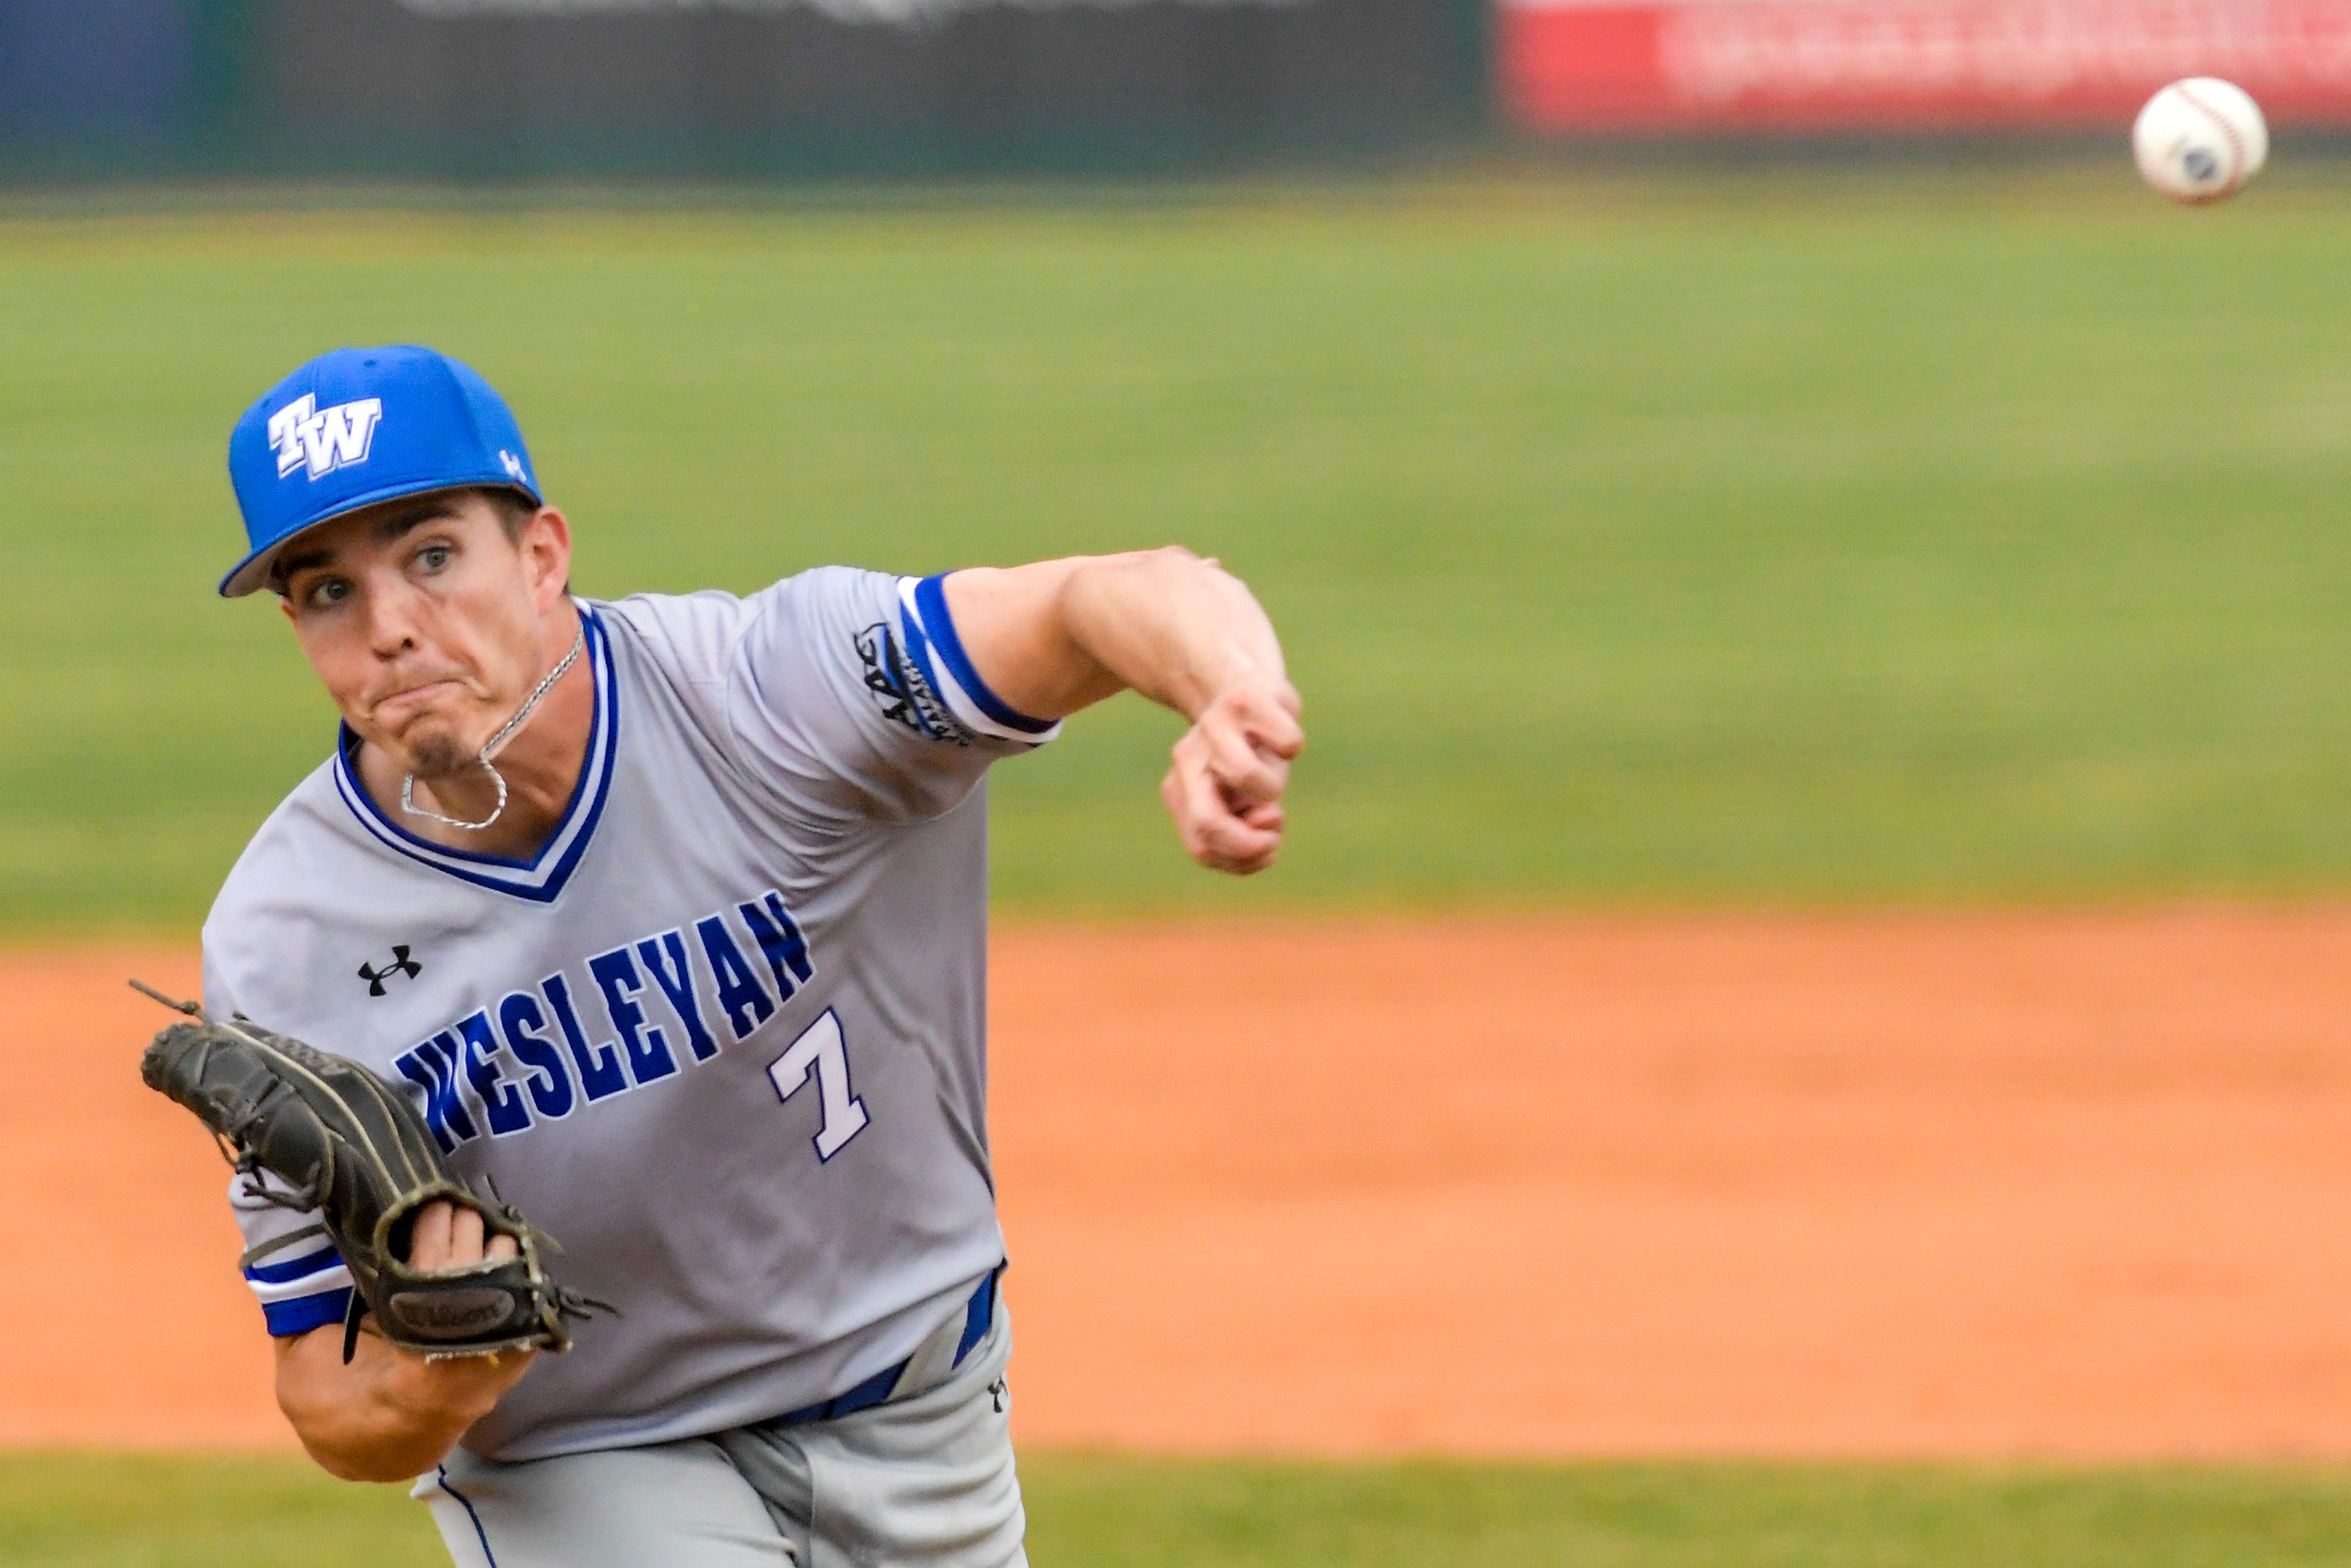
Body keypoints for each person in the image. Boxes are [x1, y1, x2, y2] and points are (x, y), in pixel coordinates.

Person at [201, 345, 1303, 1566]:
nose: (393, 630)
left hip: (925, 1409)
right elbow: (324, 1396)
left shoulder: (772, 696)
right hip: (591, 1457)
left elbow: (1109, 596)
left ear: (543, 553)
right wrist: (435, 1380)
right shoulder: (286, 940)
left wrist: (1233, 698)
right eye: (325, 592)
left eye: (432, 556)